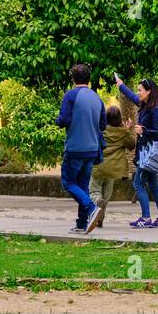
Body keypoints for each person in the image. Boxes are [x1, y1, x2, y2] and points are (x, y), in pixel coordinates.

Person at [57, 63, 106, 233]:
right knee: (83, 186)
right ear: (89, 78)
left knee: (68, 182)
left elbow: (63, 120)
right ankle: (81, 223)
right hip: (92, 148)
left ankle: (92, 209)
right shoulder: (96, 98)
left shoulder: (70, 96)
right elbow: (103, 124)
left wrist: (59, 121)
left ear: (72, 78)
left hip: (76, 147)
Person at [115, 74, 158, 228]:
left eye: (140, 90)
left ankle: (146, 218)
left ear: (149, 91)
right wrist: (121, 85)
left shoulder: (155, 109)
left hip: (148, 154)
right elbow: (132, 97)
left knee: (138, 183)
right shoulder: (145, 105)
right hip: (145, 152)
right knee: (153, 185)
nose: (138, 92)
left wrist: (143, 131)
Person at [88, 104, 135, 227]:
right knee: (106, 197)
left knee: (94, 193)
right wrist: (127, 129)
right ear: (119, 118)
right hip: (113, 169)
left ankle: (97, 206)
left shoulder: (100, 130)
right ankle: (99, 220)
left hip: (98, 165)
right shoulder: (122, 133)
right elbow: (131, 145)